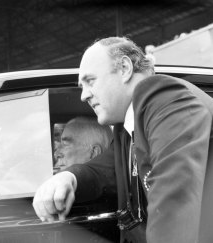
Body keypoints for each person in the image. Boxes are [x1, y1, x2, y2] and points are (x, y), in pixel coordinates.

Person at [33, 36, 213, 243]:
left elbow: (174, 202)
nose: (84, 95)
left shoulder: (167, 101)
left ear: (125, 69)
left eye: (90, 81)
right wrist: (67, 178)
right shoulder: (126, 127)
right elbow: (104, 171)